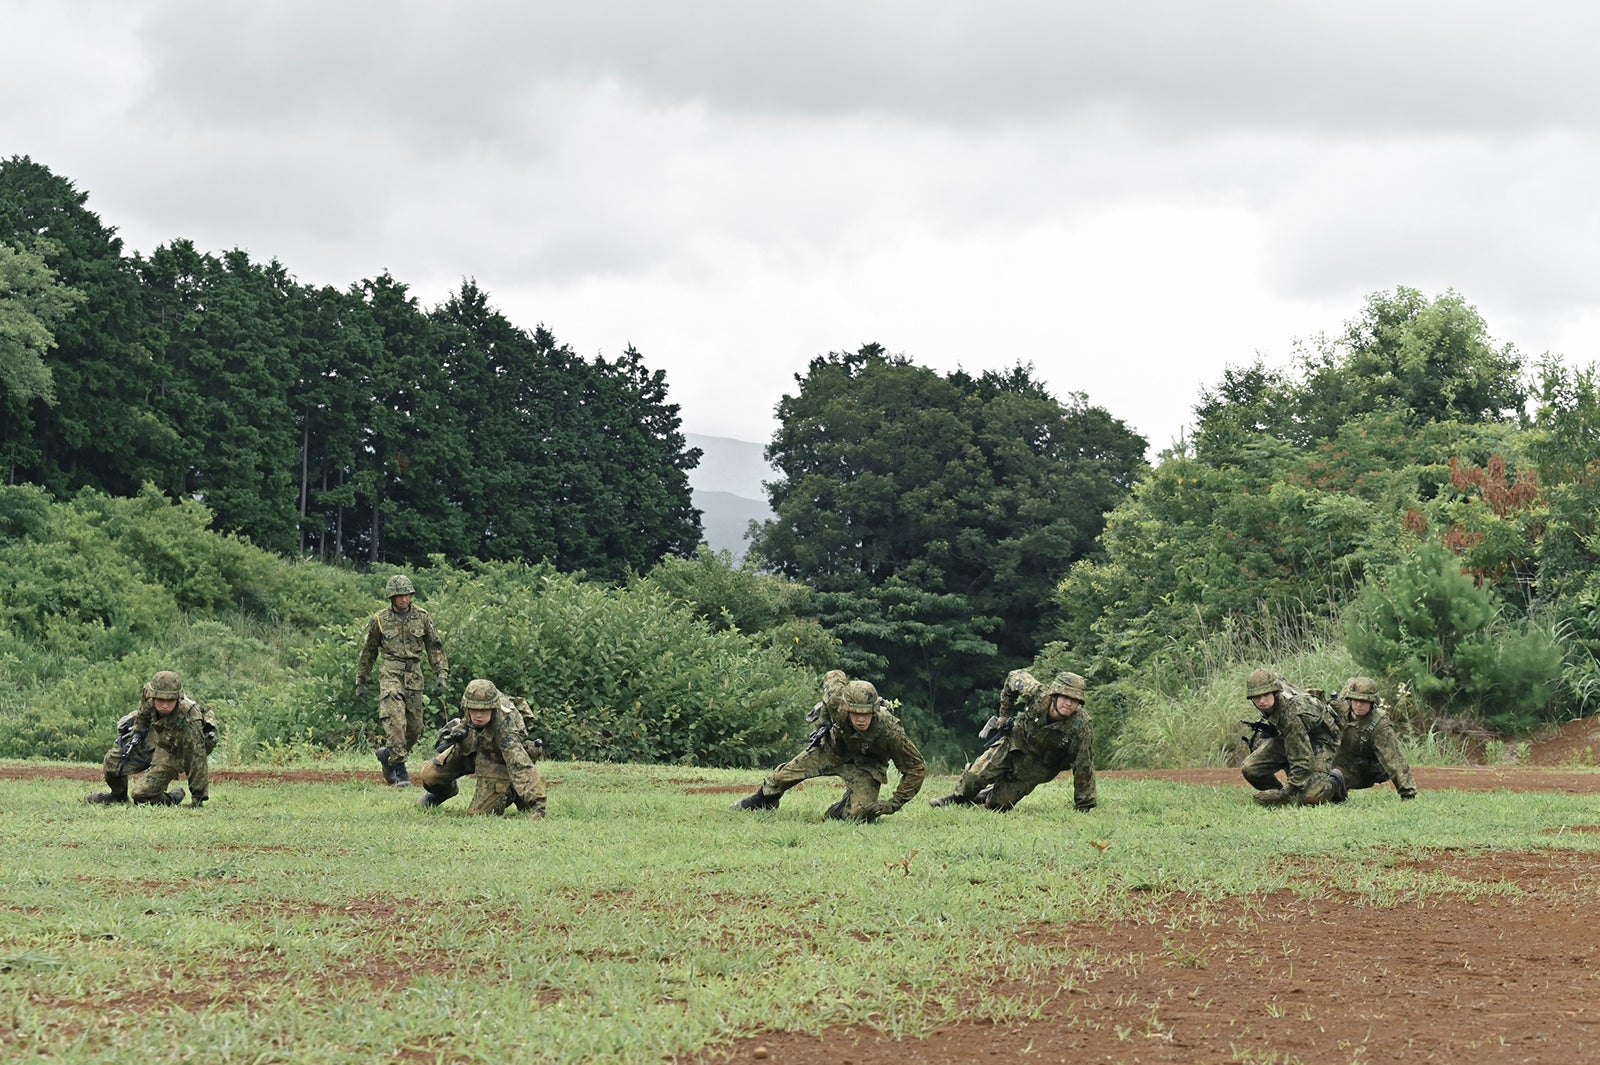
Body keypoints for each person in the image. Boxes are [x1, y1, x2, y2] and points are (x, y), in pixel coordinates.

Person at [731, 677, 926, 821]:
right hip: (832, 749)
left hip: (866, 766)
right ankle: (763, 800)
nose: (860, 719)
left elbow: (916, 768)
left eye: (866, 713)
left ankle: (842, 808)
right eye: (855, 712)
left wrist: (893, 804)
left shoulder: (890, 731)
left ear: (875, 710)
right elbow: (834, 676)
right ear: (845, 707)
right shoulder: (836, 700)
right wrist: (823, 722)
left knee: (861, 815)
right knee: (782, 777)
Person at [929, 669, 1096, 812]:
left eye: (1074, 700)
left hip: (1039, 765)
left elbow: (1084, 764)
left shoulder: (1081, 726)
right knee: (974, 777)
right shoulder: (1038, 694)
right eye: (1065, 697)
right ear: (1055, 695)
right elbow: (1013, 676)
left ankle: (986, 795)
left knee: (999, 806)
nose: (1069, 703)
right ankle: (955, 799)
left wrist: (1084, 805)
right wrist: (1004, 715)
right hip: (1015, 742)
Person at [355, 574, 449, 787]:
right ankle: (400, 772)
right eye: (399, 596)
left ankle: (388, 754)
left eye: (407, 595)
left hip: (414, 675)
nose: (404, 600)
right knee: (396, 721)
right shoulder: (380, 619)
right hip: (390, 673)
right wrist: (361, 681)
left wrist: (441, 674)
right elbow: (368, 652)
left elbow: (435, 647)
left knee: (415, 728)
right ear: (392, 597)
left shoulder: (422, 617)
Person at [415, 679, 547, 817]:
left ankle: (512, 791)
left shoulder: (506, 730)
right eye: (474, 709)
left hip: (498, 757)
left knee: (479, 814)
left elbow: (521, 767)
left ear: (493, 708)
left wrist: (538, 806)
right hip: (475, 746)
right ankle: (444, 793)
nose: (478, 715)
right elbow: (467, 721)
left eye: (483, 710)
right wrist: (459, 731)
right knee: (430, 775)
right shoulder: (472, 704)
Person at [86, 671, 216, 807]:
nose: (165, 705)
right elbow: (144, 713)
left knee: (141, 795)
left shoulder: (190, 718)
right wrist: (137, 731)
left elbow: (196, 758)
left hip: (175, 748)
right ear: (153, 695)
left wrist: (198, 799)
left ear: (178, 698)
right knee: (112, 761)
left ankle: (172, 798)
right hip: (154, 737)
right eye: (160, 700)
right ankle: (118, 797)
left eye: (170, 700)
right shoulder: (149, 693)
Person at [1239, 668, 1343, 806]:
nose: (1262, 700)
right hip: (1291, 736)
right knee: (1250, 769)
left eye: (1265, 695)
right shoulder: (1273, 683)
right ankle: (1284, 794)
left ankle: (1336, 781)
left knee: (1310, 798)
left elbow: (1303, 762)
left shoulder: (1292, 716)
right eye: (1257, 697)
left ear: (1275, 692)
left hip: (1321, 739)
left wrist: (1284, 793)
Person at [1331, 676, 1417, 800]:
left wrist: (1408, 793)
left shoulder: (1379, 725)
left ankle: (1337, 787)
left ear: (1372, 703)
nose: (1359, 705)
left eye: (1364, 701)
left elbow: (1395, 759)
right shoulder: (1340, 709)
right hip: (1342, 758)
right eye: (1355, 700)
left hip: (1365, 768)